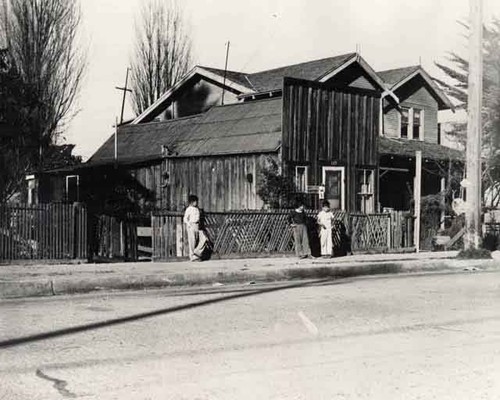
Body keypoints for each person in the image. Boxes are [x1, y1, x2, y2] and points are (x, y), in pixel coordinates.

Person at [183, 194, 201, 261]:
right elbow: (185, 218)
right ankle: (191, 255)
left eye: (196, 201)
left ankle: (195, 254)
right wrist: (189, 224)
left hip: (196, 225)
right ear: (191, 202)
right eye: (195, 201)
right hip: (191, 225)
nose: (196, 203)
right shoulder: (189, 209)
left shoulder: (197, 209)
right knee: (192, 240)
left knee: (197, 239)